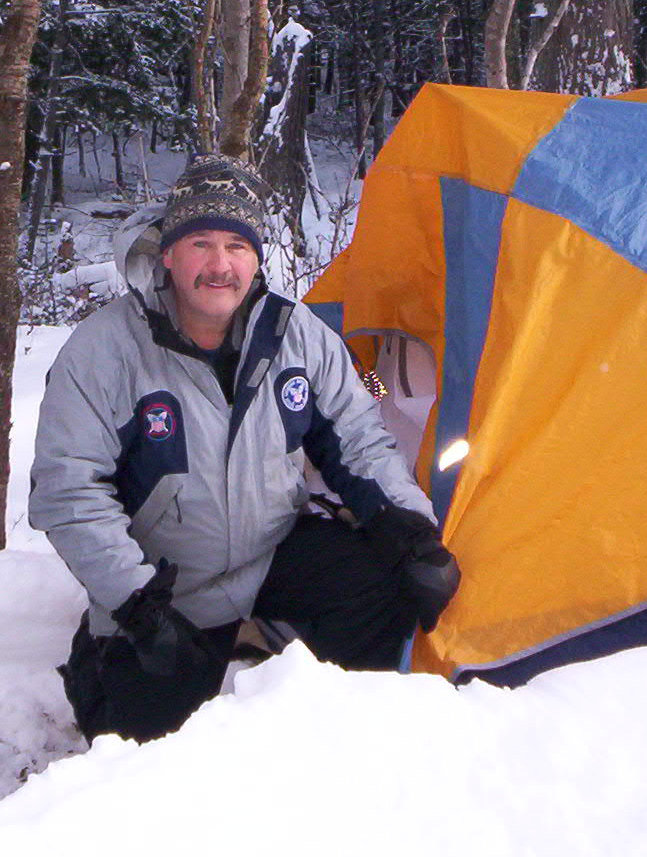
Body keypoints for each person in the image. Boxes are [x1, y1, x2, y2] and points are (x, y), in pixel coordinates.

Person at [30, 153, 460, 742]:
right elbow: (68, 489)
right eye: (200, 243)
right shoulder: (105, 349)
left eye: (237, 245)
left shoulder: (296, 333)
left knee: (383, 583)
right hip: (162, 583)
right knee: (140, 748)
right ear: (169, 253)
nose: (219, 264)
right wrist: (134, 602)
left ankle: (347, 735)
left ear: (256, 258)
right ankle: (101, 662)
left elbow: (359, 437)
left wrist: (411, 528)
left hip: (270, 551)